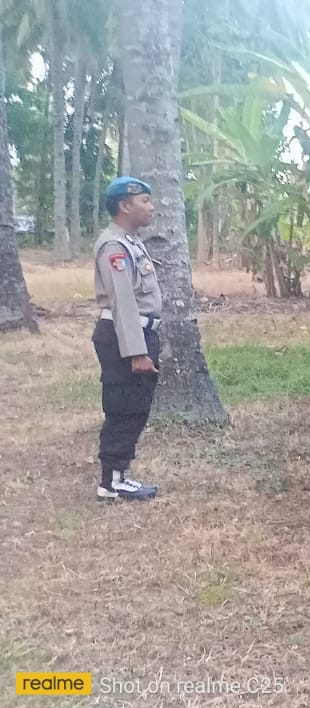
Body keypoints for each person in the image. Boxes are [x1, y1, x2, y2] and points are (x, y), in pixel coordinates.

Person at [92, 176, 162, 501]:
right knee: (124, 407)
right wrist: (137, 352)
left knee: (135, 406)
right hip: (123, 337)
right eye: (144, 201)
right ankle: (112, 482)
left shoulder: (130, 242)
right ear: (124, 206)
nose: (151, 207)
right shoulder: (114, 247)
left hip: (138, 332)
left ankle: (119, 476)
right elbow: (123, 301)